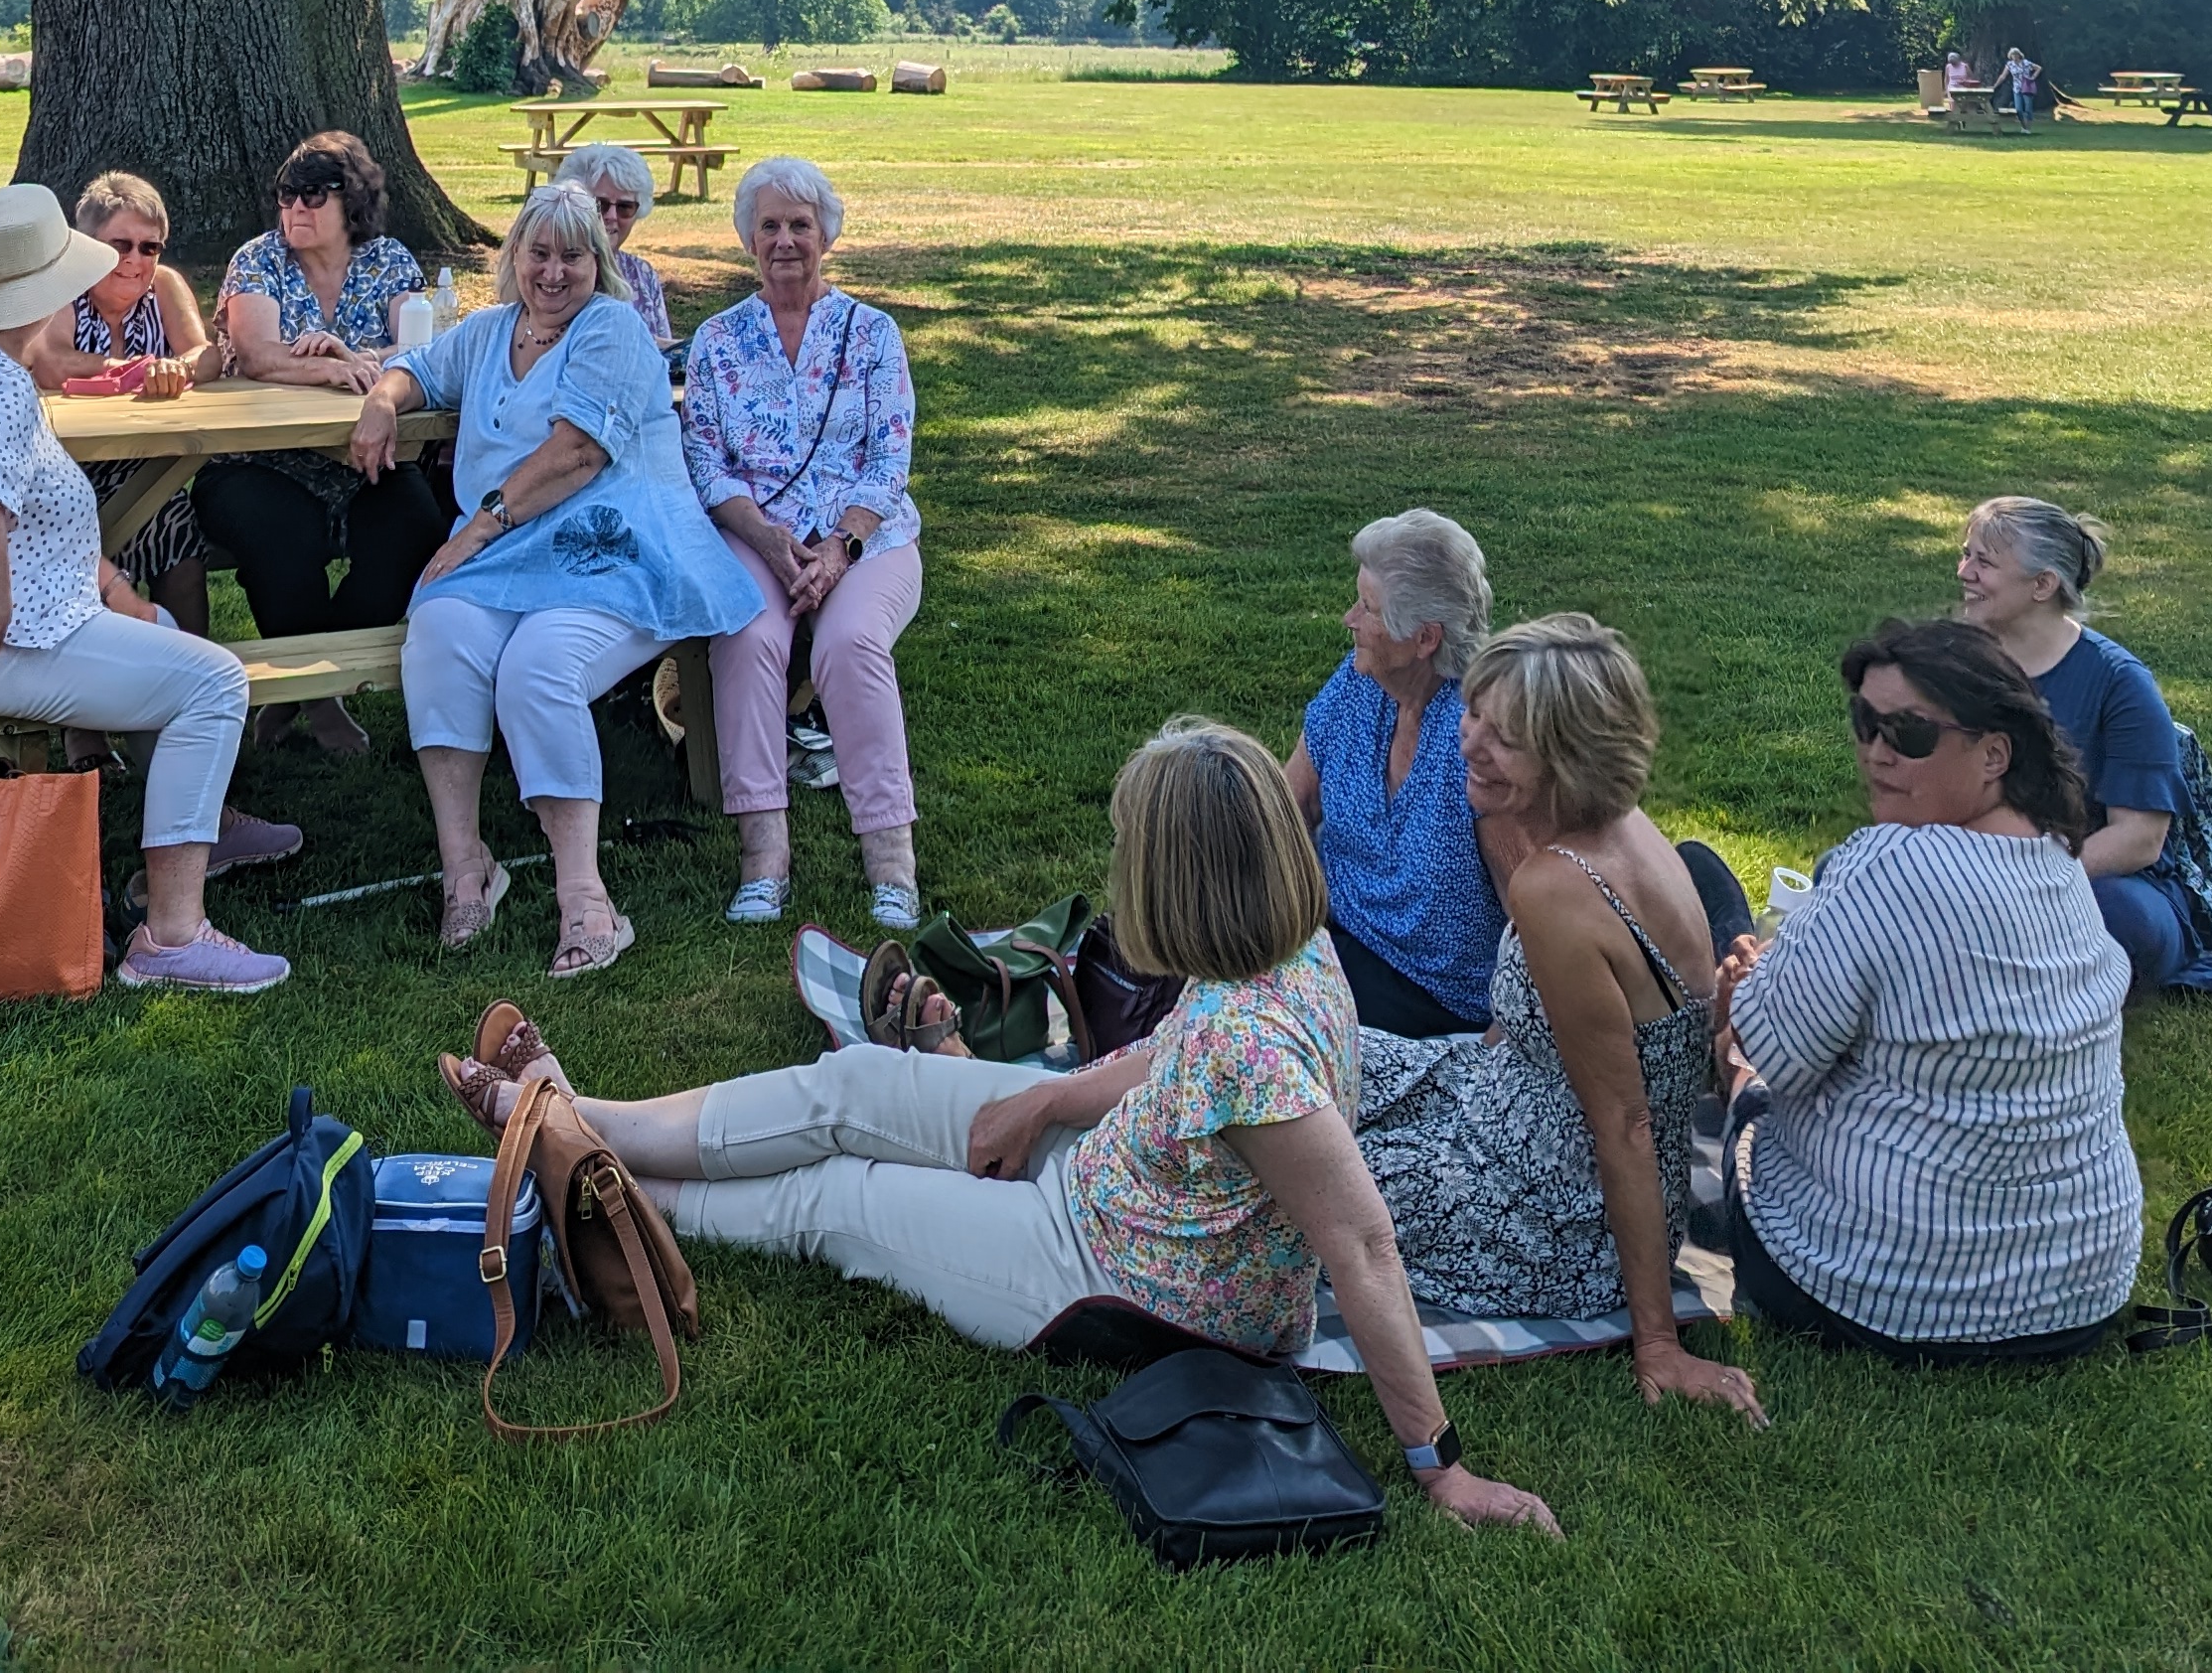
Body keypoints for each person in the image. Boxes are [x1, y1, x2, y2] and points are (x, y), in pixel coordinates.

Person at [446, 718, 1561, 1534]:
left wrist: (1440, 1468)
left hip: (1114, 1275)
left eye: (1134, 852)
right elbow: (1162, 1062)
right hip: (1103, 1176)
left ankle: (599, 1185)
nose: (1120, 873)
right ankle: (580, 1115)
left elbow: (1359, 1243)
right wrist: (1042, 1097)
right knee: (854, 1092)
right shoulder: (1284, 947)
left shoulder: (1255, 1049)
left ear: (1179, 880)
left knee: (837, 1199)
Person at [0, 185, 290, 993]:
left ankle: (202, 827)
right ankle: (173, 935)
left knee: (162, 633)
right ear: (44, 293)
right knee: (216, 680)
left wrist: (107, 588)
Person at [1353, 617, 1763, 1420]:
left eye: (1505, 739)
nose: (1468, 743)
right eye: (1473, 714)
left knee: (1299, 1177)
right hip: (1506, 1099)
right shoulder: (1623, 826)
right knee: (1322, 1060)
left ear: (1569, 757)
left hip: (1554, 1217)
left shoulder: (1557, 887)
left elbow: (1627, 1124)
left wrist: (1657, 1343)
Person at [349, 181, 760, 975]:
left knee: (537, 670)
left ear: (597, 263)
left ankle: (586, 898)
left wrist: (474, 527)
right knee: (437, 634)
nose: (554, 271)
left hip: (613, 543)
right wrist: (381, 398)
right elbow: (417, 368)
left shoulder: (610, 327)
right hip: (510, 553)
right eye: (539, 253)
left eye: (573, 254)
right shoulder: (488, 332)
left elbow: (578, 454)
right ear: (514, 260)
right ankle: (467, 869)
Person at [1710, 618, 2142, 1362]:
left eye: (1909, 734)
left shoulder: (1890, 864)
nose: (1877, 751)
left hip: (1889, 1293)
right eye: (1865, 723)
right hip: (2078, 1291)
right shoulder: (2058, 861)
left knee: (1718, 943)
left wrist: (1735, 1007)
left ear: (1994, 753)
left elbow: (1779, 1053)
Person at [680, 155, 924, 933]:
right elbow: (705, 459)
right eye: (770, 226)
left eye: (801, 226)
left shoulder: (872, 331)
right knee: (747, 638)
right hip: (757, 533)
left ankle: (890, 860)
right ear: (749, 238)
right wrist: (767, 537)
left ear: (827, 236)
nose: (785, 241)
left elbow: (890, 459)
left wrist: (837, 550)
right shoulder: (718, 340)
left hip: (866, 537)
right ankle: (763, 857)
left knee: (849, 645)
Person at [202, 129, 451, 752]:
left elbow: (423, 350)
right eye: (288, 195)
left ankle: (304, 689)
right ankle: (322, 698)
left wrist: (354, 353)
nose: (297, 209)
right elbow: (258, 355)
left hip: (364, 458)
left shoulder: (389, 260)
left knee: (416, 525)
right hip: (259, 461)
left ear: (354, 203)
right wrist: (328, 369)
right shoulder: (257, 259)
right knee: (283, 533)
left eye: (315, 194)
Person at [1953, 497, 2194, 994]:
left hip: (2088, 874)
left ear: (2043, 585)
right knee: (1846, 868)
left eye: (1984, 561)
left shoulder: (2119, 682)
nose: (1964, 571)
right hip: (1974, 860)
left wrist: (2026, 879)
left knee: (2124, 919)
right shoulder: (1955, 661)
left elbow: (2141, 838)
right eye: (1966, 554)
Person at [1284, 511, 1512, 1034]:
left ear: (1425, 638)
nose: (1349, 619)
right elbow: (1289, 804)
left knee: (1246, 1025)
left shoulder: (1478, 743)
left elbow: (1534, 917)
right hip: (1338, 945)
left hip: (1434, 999)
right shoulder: (1359, 685)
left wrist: (1492, 1054)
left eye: (1368, 608)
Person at [24, 170, 221, 623]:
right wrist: (135, 371)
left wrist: (179, 368)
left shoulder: (165, 286)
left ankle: (193, 672)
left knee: (175, 531)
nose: (136, 259)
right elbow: (51, 360)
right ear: (87, 247)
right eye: (120, 246)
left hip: (144, 462)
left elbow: (207, 355)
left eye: (149, 247)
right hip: (64, 467)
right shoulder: (63, 284)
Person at [551, 142, 671, 352]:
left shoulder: (642, 275)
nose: (611, 216)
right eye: (599, 204)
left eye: (625, 207)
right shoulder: (552, 272)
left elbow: (666, 357)